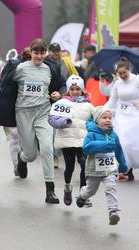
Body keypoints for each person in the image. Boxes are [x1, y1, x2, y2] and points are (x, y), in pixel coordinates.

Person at [13, 38, 62, 203]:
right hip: (24, 112)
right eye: (36, 52)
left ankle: (50, 191)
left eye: (42, 52)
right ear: (31, 52)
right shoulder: (20, 68)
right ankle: (22, 158)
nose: (39, 56)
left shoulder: (50, 69)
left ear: (46, 52)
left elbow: (60, 84)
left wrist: (58, 94)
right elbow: (6, 85)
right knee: (31, 154)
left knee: (47, 148)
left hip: (43, 111)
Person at [76, 106, 127, 225]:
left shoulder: (114, 135)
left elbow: (118, 151)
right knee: (90, 191)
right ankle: (82, 196)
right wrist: (104, 145)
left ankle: (113, 211)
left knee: (111, 188)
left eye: (110, 118)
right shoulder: (91, 134)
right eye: (104, 117)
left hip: (110, 169)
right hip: (94, 169)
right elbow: (86, 148)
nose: (108, 120)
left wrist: (123, 166)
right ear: (97, 120)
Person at [48, 75, 94, 206]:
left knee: (84, 165)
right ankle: (67, 187)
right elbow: (53, 119)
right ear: (68, 90)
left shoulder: (88, 105)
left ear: (82, 90)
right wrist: (62, 121)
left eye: (77, 89)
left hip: (83, 140)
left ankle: (83, 194)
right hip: (67, 140)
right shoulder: (62, 103)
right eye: (72, 89)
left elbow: (96, 118)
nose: (75, 91)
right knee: (69, 166)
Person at [106, 59, 139, 181]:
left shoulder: (137, 80)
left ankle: (131, 166)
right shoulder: (118, 83)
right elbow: (112, 100)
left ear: (129, 70)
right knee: (122, 142)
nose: (123, 75)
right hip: (121, 115)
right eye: (120, 73)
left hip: (135, 115)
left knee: (134, 144)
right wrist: (101, 110)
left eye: (124, 72)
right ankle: (126, 169)